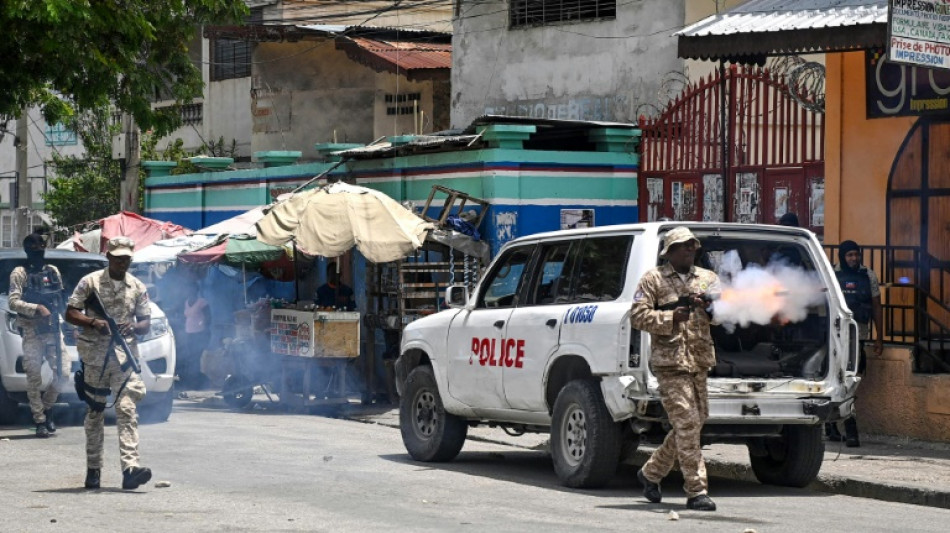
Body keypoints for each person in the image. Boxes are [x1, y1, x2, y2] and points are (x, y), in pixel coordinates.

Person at [630, 227, 721, 512]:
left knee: (696, 420)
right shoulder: (653, 279)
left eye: (692, 246)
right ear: (668, 252)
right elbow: (637, 315)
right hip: (670, 363)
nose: (688, 250)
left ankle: (651, 473)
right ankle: (696, 491)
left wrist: (709, 309)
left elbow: (722, 315)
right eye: (682, 246)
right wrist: (671, 317)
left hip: (699, 360)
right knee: (687, 423)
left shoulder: (708, 279)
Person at [65, 237, 153, 490]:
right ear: (108, 257)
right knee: (95, 413)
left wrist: (133, 326)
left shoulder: (137, 286)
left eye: (126, 258)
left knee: (126, 408)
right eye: (117, 258)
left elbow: (145, 322)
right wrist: (94, 322)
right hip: (95, 358)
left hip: (124, 359)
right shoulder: (90, 282)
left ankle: (130, 469)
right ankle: (94, 469)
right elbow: (70, 312)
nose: (122, 262)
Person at [7, 232, 68, 438]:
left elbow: (60, 298)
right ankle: (40, 420)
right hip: (32, 329)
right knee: (33, 378)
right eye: (35, 250)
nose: (39, 253)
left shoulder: (52, 271)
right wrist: (37, 308)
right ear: (26, 251)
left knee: (63, 373)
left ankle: (48, 407)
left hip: (52, 329)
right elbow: (13, 302)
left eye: (42, 249)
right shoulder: (19, 273)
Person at [826, 239, 883, 448]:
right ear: (843, 256)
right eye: (850, 255)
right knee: (836, 380)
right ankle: (842, 429)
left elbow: (877, 306)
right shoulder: (832, 273)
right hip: (836, 337)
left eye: (856, 255)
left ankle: (843, 427)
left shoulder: (868, 275)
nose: (854, 258)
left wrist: (879, 337)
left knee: (851, 380)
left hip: (858, 337)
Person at [181, 280, 210, 389]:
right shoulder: (186, 302)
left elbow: (208, 317)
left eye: (191, 289)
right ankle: (192, 382)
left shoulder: (202, 302)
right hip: (189, 333)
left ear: (196, 290)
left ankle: (198, 383)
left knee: (197, 358)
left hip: (199, 334)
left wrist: (204, 328)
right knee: (190, 358)